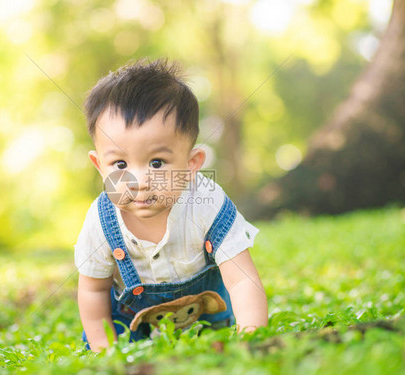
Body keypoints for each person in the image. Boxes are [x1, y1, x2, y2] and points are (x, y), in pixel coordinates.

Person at [75, 59, 268, 352]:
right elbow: (93, 290)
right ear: (99, 166)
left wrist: (251, 339)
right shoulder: (101, 221)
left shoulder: (207, 203)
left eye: (157, 163)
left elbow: (242, 280)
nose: (138, 180)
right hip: (132, 328)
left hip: (207, 320)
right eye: (120, 163)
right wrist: (108, 354)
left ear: (191, 165)